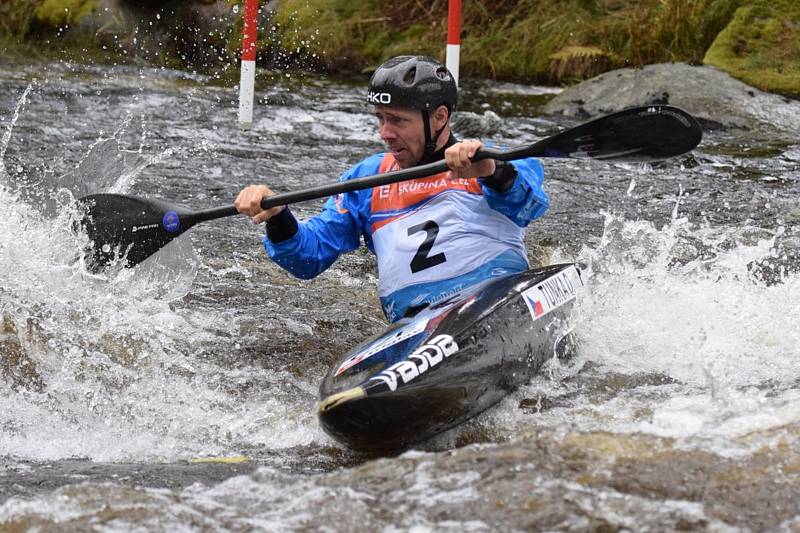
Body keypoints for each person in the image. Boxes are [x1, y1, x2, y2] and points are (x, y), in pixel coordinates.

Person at [235, 55, 549, 322]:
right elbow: (308, 259)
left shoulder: (489, 157)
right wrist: (278, 217)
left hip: (495, 302)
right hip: (415, 323)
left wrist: (490, 171)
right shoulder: (366, 179)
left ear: (439, 117)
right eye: (380, 119)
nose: (385, 133)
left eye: (398, 121)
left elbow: (531, 205)